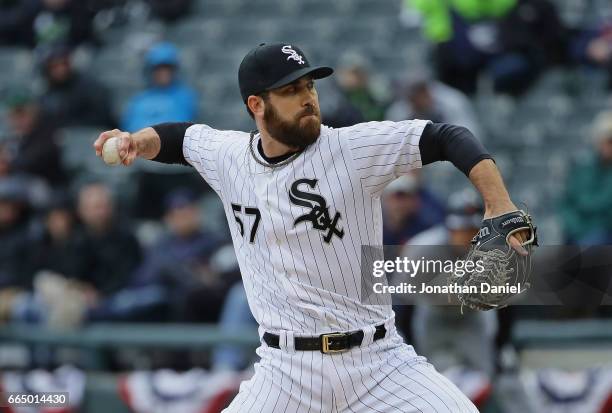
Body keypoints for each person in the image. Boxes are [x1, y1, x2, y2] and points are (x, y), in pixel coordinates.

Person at [94, 42, 531, 412]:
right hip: (284, 374)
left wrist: (499, 202)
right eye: (290, 90)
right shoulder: (229, 156)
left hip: (377, 363)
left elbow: (446, 136)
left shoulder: (350, 148)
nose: (307, 97)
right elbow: (179, 139)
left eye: (309, 85)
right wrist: (137, 140)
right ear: (256, 105)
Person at [559, 110, 612, 245]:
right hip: (578, 231)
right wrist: (575, 227)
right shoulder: (582, 167)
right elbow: (566, 202)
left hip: (602, 233)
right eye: (608, 141)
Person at [121, 42, 198, 133]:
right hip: (140, 144)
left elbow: (180, 130)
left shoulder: (185, 97)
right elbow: (129, 128)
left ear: (174, 70)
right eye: (158, 69)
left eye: (167, 68)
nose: (163, 73)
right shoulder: (139, 99)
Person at [38, 44, 115, 128]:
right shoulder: (47, 92)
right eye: (55, 66)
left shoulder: (90, 87)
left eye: (63, 64)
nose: (61, 70)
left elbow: (102, 117)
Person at [2, 87, 66, 187]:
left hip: (48, 186)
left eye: (21, 113)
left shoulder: (47, 132)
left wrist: (8, 163)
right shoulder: (11, 137)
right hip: (17, 184)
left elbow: (36, 161)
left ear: (34, 111)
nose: (18, 119)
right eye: (13, 114)